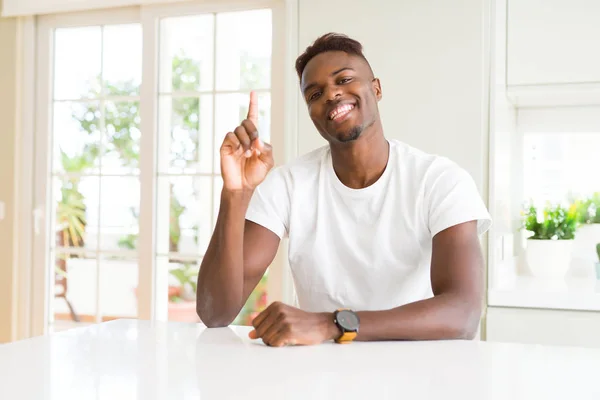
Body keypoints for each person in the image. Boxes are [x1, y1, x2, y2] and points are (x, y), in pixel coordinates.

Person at [196, 32, 492, 347]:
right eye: (314, 94)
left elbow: (464, 312)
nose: (331, 95)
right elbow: (216, 313)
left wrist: (333, 324)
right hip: (321, 374)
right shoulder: (288, 184)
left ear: (376, 89)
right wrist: (235, 193)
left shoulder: (439, 180)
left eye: (344, 80)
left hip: (416, 369)